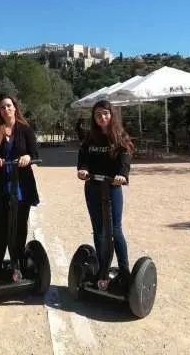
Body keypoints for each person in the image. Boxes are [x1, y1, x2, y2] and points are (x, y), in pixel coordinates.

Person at [76, 100, 134, 291]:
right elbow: (83, 157)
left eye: (105, 114)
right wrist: (82, 169)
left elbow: (126, 155)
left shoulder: (119, 136)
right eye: (98, 114)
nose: (102, 117)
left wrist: (122, 174)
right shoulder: (90, 138)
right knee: (99, 230)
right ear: (94, 117)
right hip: (93, 187)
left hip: (112, 187)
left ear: (111, 115)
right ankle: (102, 270)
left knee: (115, 230)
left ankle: (124, 272)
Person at [0, 94, 40, 283]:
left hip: (22, 184)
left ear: (15, 107)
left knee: (20, 226)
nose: (6, 109)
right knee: (1, 226)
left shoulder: (25, 129)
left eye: (8, 106)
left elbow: (34, 152)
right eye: (2, 107)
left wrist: (28, 157)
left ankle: (17, 263)